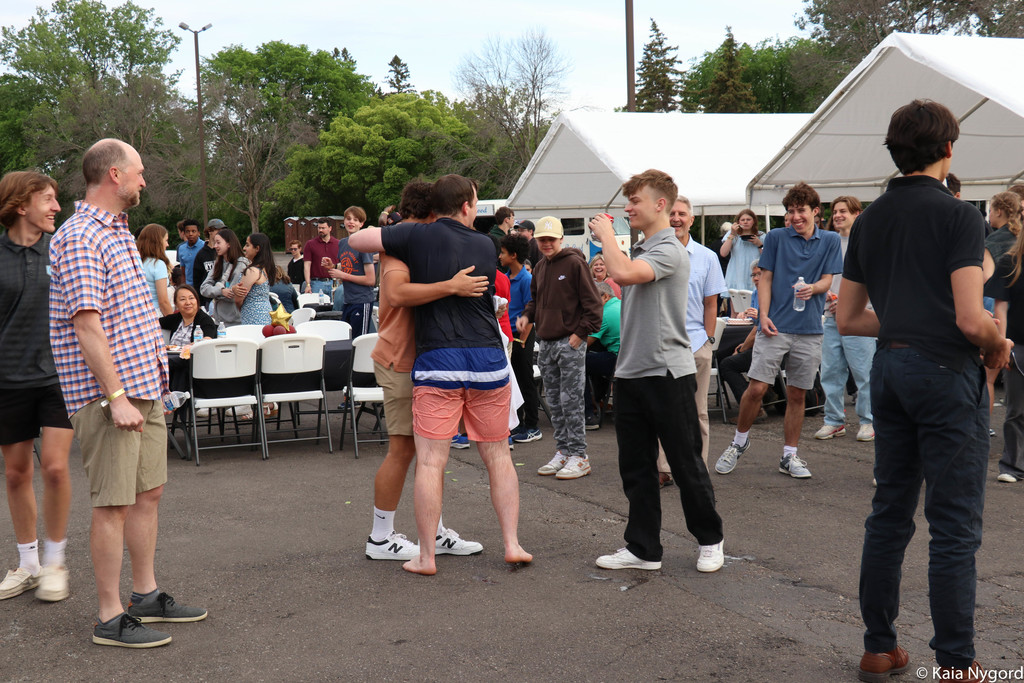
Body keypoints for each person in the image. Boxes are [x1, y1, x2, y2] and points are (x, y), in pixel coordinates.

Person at [838, 99, 1011, 683]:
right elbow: (970, 319)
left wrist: (911, 322)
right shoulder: (960, 215)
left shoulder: (869, 219)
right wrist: (998, 342)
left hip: (890, 370)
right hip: (944, 374)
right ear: (948, 150)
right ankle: (957, 665)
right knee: (954, 523)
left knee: (889, 514)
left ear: (895, 151)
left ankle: (879, 647)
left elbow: (849, 317)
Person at [49, 138, 206, 648]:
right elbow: (87, 325)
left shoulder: (119, 232)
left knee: (147, 494)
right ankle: (109, 617)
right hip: (108, 395)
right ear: (114, 175)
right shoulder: (79, 236)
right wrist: (115, 395)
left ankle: (144, 595)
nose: (144, 180)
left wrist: (141, 390)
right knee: (113, 503)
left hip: (142, 386)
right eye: (139, 172)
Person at [349, 173, 532, 576]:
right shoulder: (486, 243)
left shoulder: (411, 240)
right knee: (498, 455)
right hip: (484, 359)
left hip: (437, 361)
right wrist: (452, 285)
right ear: (466, 205)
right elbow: (398, 293)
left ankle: (427, 555)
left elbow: (356, 240)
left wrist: (400, 231)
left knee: (429, 462)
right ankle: (512, 544)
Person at [589, 169, 725, 573]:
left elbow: (623, 273)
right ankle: (643, 548)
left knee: (685, 462)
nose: (628, 208)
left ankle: (711, 538)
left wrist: (607, 238)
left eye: (635, 201)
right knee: (636, 467)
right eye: (627, 202)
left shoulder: (670, 249)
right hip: (631, 372)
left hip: (668, 372)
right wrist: (613, 243)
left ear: (660, 205)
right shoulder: (647, 247)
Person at [365, 181, 487, 561]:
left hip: (425, 361)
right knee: (403, 449)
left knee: (430, 453)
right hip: (401, 359)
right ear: (430, 215)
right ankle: (381, 538)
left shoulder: (421, 244)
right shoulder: (398, 248)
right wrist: (450, 286)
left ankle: (432, 530)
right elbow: (399, 294)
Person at [715, 182, 842, 480]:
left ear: (815, 212)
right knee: (757, 388)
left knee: (798, 393)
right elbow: (766, 279)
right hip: (776, 326)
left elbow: (827, 281)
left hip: (810, 329)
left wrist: (814, 288)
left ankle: (789, 455)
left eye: (802, 211)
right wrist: (764, 317)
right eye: (791, 211)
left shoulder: (830, 242)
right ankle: (738, 442)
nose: (796, 216)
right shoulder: (775, 237)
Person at [0, 170, 74, 603]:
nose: (56, 207)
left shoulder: (62, 250)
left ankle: (55, 562)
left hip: (59, 376)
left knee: (57, 467)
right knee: (15, 473)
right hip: (7, 379)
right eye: (48, 199)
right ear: (21, 204)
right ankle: (27, 565)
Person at [517, 216, 603, 480]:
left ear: (561, 239)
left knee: (572, 401)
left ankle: (579, 456)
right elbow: (535, 300)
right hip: (547, 343)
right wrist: (527, 316)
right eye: (542, 239)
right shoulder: (541, 267)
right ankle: (564, 451)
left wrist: (579, 334)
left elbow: (594, 306)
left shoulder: (575, 263)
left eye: (551, 239)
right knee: (555, 401)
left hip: (568, 342)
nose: (546, 243)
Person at [658, 196, 726, 468]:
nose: (676, 218)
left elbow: (712, 303)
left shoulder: (708, 257)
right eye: (672, 213)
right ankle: (663, 467)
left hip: (696, 341)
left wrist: (708, 340)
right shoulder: (657, 254)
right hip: (662, 343)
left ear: (691, 219)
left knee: (698, 412)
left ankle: (697, 466)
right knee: (664, 410)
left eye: (682, 214)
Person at [814, 196, 875, 442]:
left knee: (864, 373)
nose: (838, 215)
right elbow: (822, 276)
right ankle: (834, 421)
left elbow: (874, 281)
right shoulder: (829, 243)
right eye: (835, 211)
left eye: (843, 211)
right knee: (830, 372)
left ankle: (869, 421)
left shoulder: (867, 243)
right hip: (831, 317)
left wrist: (852, 303)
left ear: (857, 214)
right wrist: (825, 291)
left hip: (860, 319)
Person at [987, 225, 1024, 484]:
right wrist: (1003, 344)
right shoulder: (1009, 262)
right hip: (1018, 346)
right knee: (1016, 410)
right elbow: (1000, 307)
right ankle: (1012, 465)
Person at [500, 233, 542, 444]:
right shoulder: (506, 277)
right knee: (513, 380)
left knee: (525, 379)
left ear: (513, 255)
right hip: (509, 334)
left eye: (503, 252)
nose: (500, 256)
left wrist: (524, 338)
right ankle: (520, 423)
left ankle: (533, 425)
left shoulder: (526, 279)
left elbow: (530, 312)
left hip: (522, 334)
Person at [326, 207, 376, 337]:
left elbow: (371, 280)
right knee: (346, 340)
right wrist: (333, 266)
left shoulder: (364, 244)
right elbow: (350, 266)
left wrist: (342, 275)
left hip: (362, 301)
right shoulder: (342, 243)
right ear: (344, 221)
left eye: (355, 219)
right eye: (348, 219)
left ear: (361, 224)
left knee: (358, 342)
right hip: (347, 300)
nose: (351, 222)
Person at [584, 281, 620, 430]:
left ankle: (587, 413)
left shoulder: (603, 314)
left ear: (605, 297)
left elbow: (583, 344)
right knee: (596, 358)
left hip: (617, 360)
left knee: (579, 362)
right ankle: (598, 400)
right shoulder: (621, 304)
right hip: (628, 357)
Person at [200, 228, 249, 326]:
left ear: (229, 244)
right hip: (219, 320)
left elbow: (232, 294)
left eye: (218, 243)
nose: (215, 246)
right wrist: (221, 291)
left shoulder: (241, 264)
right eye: (215, 243)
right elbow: (203, 288)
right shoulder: (218, 263)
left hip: (236, 321)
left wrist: (215, 291)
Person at [719, 209, 764, 316]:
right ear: (738, 222)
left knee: (754, 310)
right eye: (742, 220)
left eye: (748, 219)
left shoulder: (761, 236)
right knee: (735, 311)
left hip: (754, 277)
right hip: (736, 276)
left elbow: (767, 257)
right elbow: (723, 253)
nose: (745, 222)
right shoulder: (733, 235)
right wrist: (732, 235)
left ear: (754, 221)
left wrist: (759, 244)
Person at [235, 232, 275, 326]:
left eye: (247, 245)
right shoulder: (265, 268)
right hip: (265, 313)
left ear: (257, 248)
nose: (244, 248)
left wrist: (240, 307)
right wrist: (233, 288)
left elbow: (238, 299)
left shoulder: (252, 270)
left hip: (253, 315)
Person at [135, 223, 173, 316]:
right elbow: (163, 301)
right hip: (155, 313)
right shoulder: (158, 264)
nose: (167, 244)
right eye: (166, 240)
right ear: (158, 242)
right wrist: (173, 321)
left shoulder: (135, 262)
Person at [303, 218, 339, 296]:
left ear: (330, 228)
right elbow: (307, 266)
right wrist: (308, 284)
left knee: (335, 307)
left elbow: (341, 264)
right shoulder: (310, 244)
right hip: (316, 283)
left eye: (323, 228)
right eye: (319, 228)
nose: (321, 230)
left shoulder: (338, 244)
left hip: (334, 282)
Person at [191, 220, 222, 308]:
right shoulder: (201, 254)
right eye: (218, 230)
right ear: (210, 231)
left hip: (222, 297)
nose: (221, 233)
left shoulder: (223, 252)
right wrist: (200, 303)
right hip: (207, 300)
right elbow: (197, 281)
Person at [175, 218, 203, 286]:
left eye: (193, 231)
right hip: (189, 286)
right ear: (184, 233)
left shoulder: (204, 247)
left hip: (202, 287)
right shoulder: (181, 248)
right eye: (188, 231)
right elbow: (183, 272)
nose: (190, 234)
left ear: (198, 233)